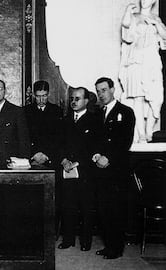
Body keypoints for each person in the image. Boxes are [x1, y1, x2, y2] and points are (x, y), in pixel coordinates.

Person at [93, 77, 135, 259]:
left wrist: (107, 158)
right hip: (100, 170)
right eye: (98, 91)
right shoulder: (96, 114)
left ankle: (116, 248)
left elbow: (124, 141)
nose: (101, 94)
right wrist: (95, 155)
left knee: (116, 210)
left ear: (112, 89)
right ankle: (108, 245)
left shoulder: (125, 112)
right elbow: (93, 139)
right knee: (103, 209)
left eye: (104, 90)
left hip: (116, 171)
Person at [58, 87, 100, 252]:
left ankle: (85, 241)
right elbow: (58, 144)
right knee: (67, 205)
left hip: (85, 172)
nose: (73, 102)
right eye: (72, 99)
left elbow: (95, 147)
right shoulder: (65, 120)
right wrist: (63, 160)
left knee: (86, 207)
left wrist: (77, 163)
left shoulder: (94, 121)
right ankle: (68, 240)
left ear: (86, 101)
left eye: (78, 98)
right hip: (66, 169)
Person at [119, 0, 166, 142]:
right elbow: (126, 30)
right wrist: (127, 11)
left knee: (157, 97)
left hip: (152, 60)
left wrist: (156, 24)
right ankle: (142, 134)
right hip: (137, 60)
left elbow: (164, 36)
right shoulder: (134, 16)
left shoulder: (156, 19)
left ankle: (150, 129)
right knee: (138, 98)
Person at [0, 79, 30, 168]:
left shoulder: (16, 111)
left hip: (10, 161)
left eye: (0, 89)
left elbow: (23, 140)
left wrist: (23, 162)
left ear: (5, 91)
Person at [25, 80, 63, 168]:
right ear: (34, 95)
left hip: (51, 158)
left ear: (48, 94)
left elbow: (59, 138)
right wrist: (34, 154)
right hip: (32, 158)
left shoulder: (56, 111)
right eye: (38, 96)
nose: (41, 100)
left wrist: (47, 155)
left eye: (44, 96)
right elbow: (25, 137)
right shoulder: (26, 111)